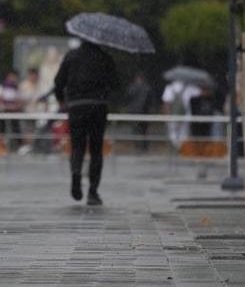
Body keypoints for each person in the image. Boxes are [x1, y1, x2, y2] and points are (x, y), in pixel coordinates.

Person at [54, 41, 120, 206]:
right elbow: (116, 84)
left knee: (77, 146)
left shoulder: (71, 56)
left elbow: (59, 82)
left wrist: (62, 100)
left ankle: (76, 172)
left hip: (76, 106)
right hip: (98, 106)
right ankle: (93, 192)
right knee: (96, 149)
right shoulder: (105, 57)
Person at [161, 80, 202, 149]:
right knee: (184, 134)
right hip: (186, 116)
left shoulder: (169, 88)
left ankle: (176, 148)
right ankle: (182, 148)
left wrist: (166, 117)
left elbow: (166, 103)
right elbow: (201, 93)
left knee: (173, 134)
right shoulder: (189, 87)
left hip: (173, 116)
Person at [0, 71, 22, 150]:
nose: (14, 79)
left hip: (13, 111)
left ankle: (18, 145)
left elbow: (19, 99)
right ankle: (1, 145)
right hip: (4, 110)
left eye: (15, 77)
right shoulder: (1, 85)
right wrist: (5, 105)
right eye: (12, 76)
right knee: (2, 128)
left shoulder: (16, 87)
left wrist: (16, 106)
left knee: (16, 128)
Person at [125, 73, 155, 151]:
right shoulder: (147, 88)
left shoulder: (131, 88)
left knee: (135, 130)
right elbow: (150, 101)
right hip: (144, 112)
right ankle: (144, 147)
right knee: (144, 130)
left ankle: (138, 146)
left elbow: (127, 99)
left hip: (133, 112)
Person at [17, 68, 42, 154]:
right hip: (26, 111)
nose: (34, 77)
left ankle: (33, 146)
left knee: (34, 130)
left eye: (35, 75)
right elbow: (20, 99)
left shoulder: (39, 85)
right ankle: (28, 146)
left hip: (37, 112)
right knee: (27, 129)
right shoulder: (24, 85)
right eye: (32, 75)